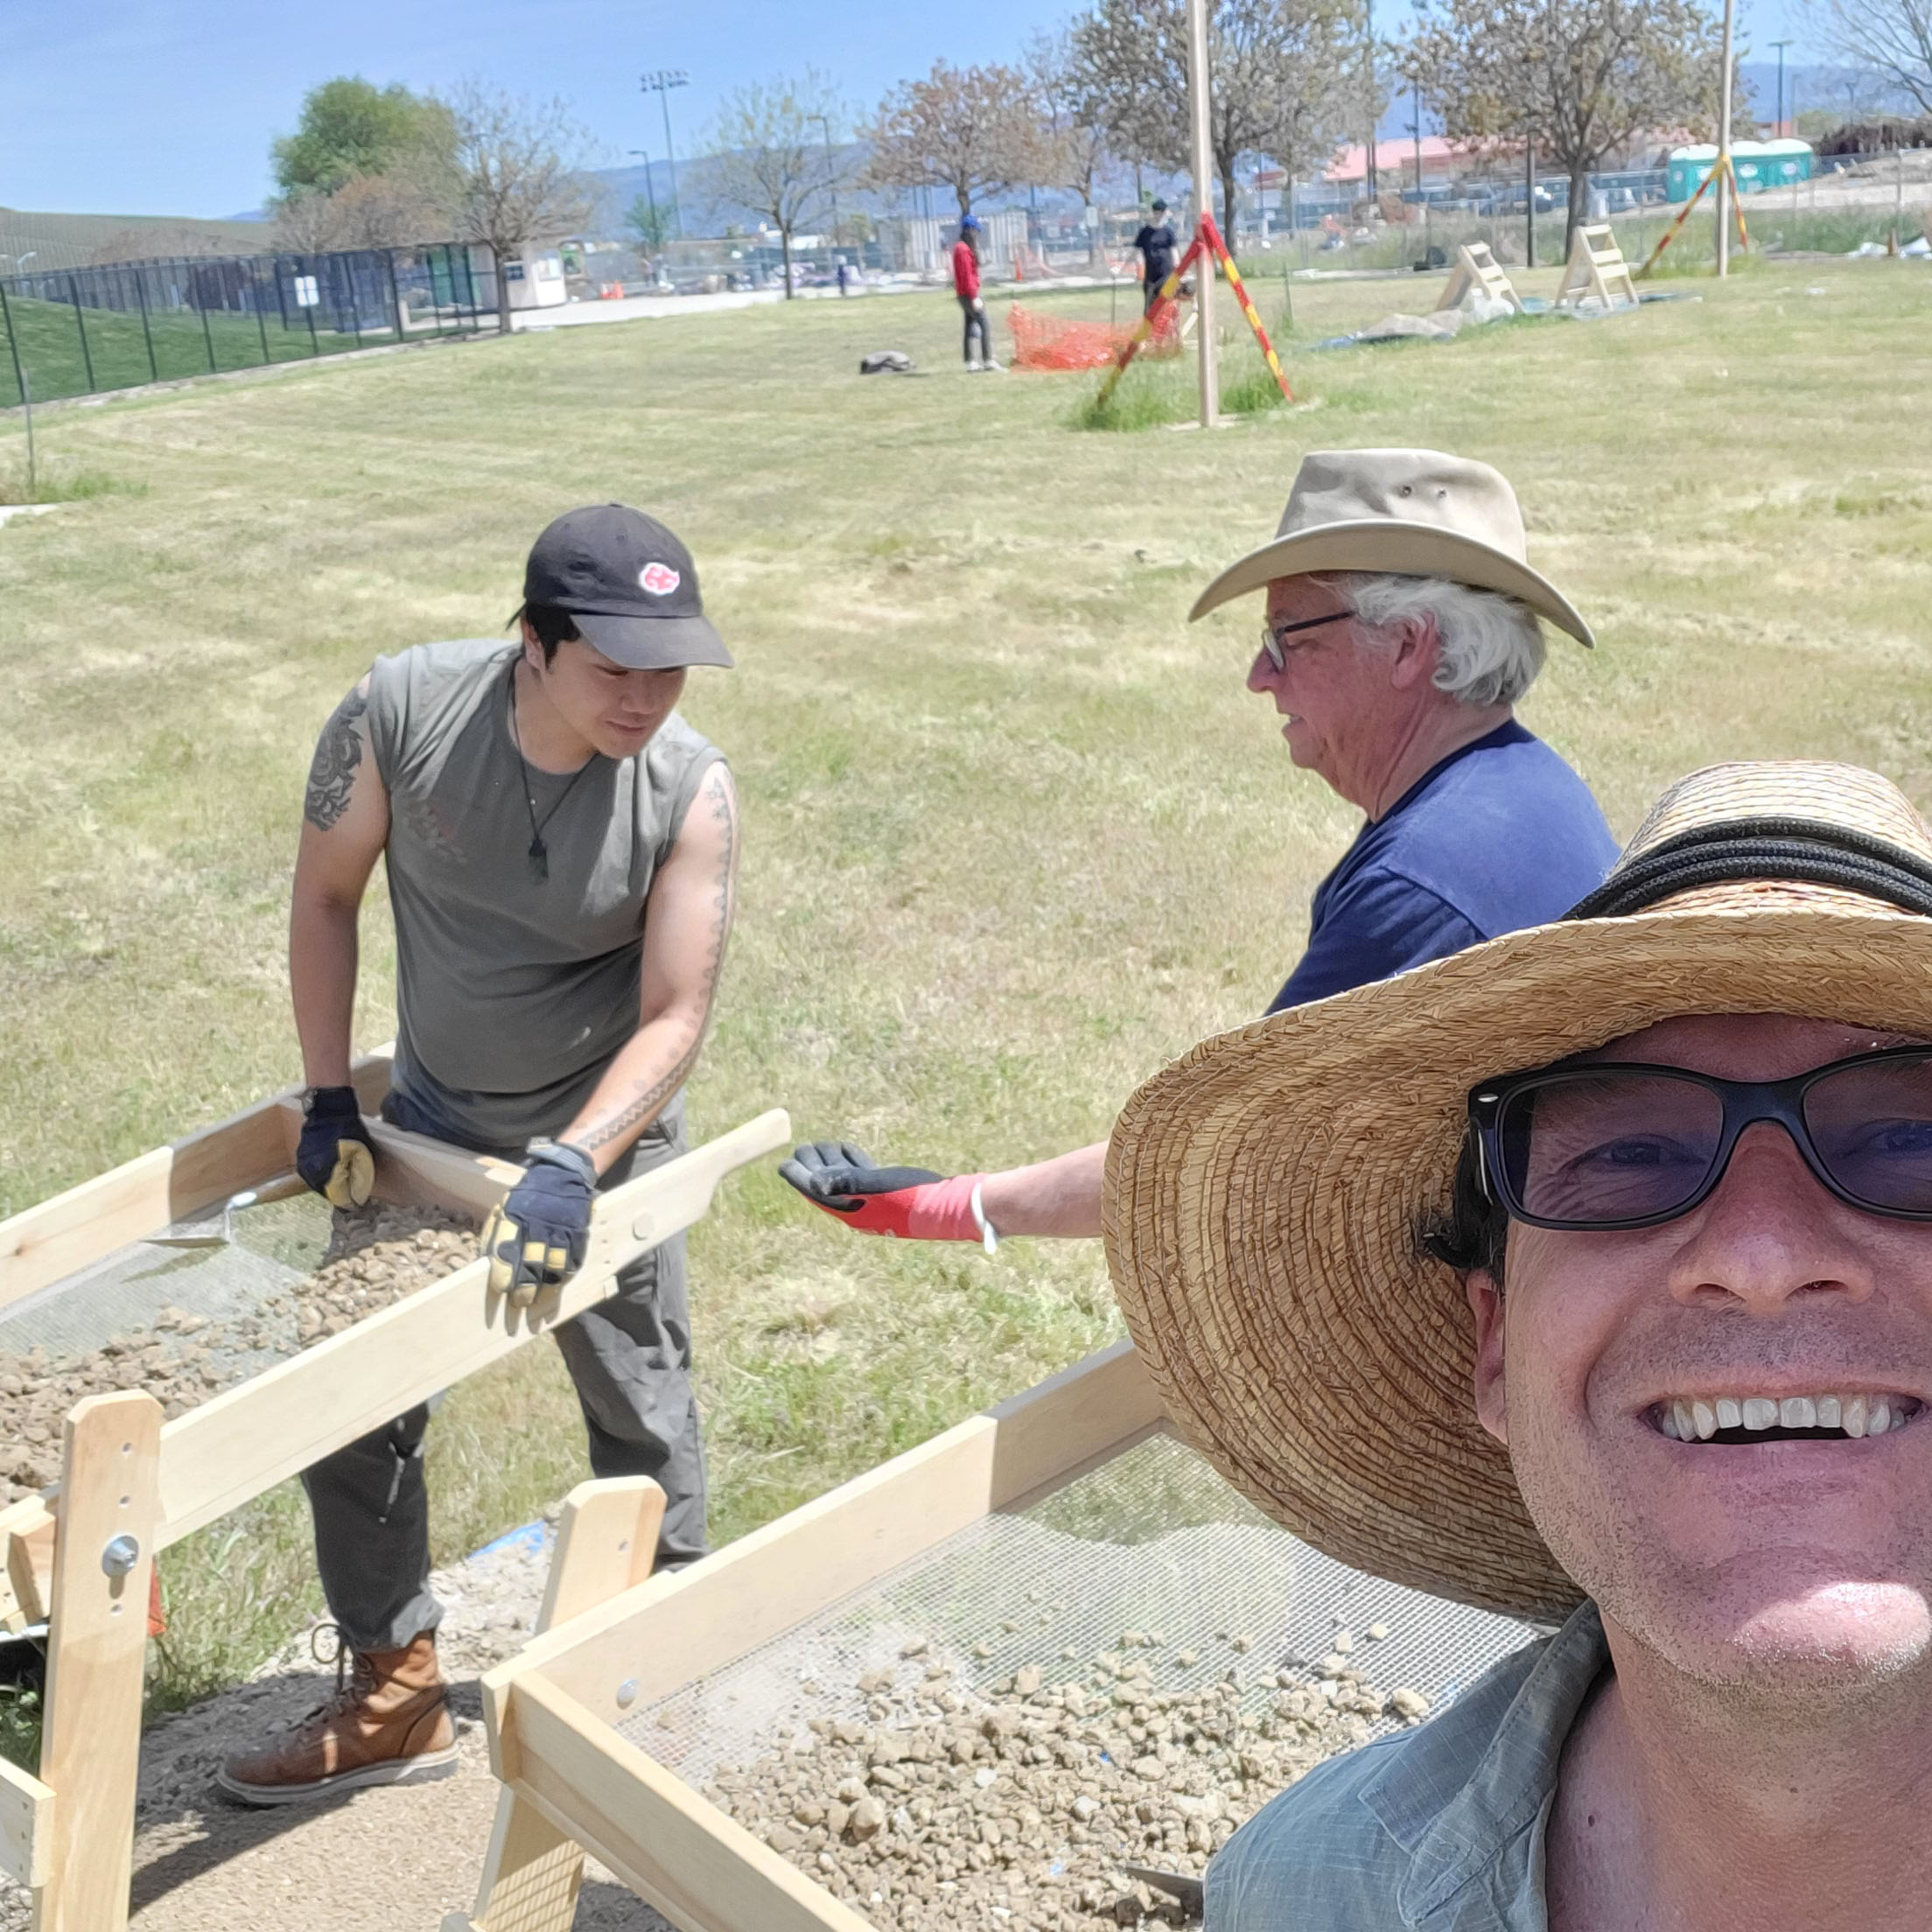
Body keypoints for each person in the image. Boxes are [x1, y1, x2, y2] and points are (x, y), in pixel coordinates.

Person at [1103, 757, 1932, 1930]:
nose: (1757, 1255)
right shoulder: (1308, 1901)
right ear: (1493, 1350)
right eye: (1628, 1154)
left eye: (1910, 1140)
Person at [219, 504, 740, 1807]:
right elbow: (326, 894)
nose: (646, 698)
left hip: (602, 1143)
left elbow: (677, 1011)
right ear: (533, 642)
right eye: (614, 666)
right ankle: (394, 1689)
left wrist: (575, 1158)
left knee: (640, 1410)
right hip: (436, 1125)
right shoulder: (399, 714)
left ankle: (656, 1696)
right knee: (352, 1399)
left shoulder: (690, 788)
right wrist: (332, 1092)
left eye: (667, 666)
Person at [782, 449, 1618, 1244]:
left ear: (1408, 646)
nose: (1260, 673)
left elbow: (1221, 1156)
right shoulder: (1513, 788)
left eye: (1289, 636)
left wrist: (942, 1206)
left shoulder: (1429, 879)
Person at [952, 214, 998, 372]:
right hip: (968, 294)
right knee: (984, 324)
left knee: (969, 325)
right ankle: (988, 360)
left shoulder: (960, 247)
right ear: (969, 230)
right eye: (975, 231)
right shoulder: (963, 249)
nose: (977, 235)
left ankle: (971, 361)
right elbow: (967, 275)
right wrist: (974, 297)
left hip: (963, 293)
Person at [1133, 198, 1180, 313]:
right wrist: (1138, 266)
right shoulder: (1145, 232)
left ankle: (1169, 329)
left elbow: (1174, 250)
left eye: (1162, 212)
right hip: (1151, 275)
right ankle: (1149, 330)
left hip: (1166, 273)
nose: (1159, 215)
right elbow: (1137, 250)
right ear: (1153, 212)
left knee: (1167, 304)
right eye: (1157, 212)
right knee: (1150, 307)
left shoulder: (1168, 232)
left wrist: (1177, 265)